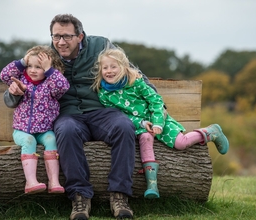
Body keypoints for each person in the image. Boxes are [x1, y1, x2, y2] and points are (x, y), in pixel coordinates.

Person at [3, 14, 157, 220]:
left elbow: (130, 71)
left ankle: (120, 195)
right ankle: (79, 197)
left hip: (102, 110)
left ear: (80, 36)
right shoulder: (45, 56)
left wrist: (159, 105)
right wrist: (13, 92)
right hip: (69, 115)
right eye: (56, 36)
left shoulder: (101, 45)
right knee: (64, 131)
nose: (60, 42)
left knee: (123, 125)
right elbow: (22, 81)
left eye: (66, 36)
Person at [91, 47, 229, 199]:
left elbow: (156, 101)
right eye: (105, 67)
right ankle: (152, 184)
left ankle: (210, 132)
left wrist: (157, 123)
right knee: (145, 139)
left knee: (180, 143)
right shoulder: (104, 94)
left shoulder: (136, 83)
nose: (109, 71)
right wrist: (142, 124)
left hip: (160, 120)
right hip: (140, 126)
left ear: (123, 67)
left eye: (113, 66)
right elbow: (117, 116)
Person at [0, 45, 70, 194]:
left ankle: (54, 182)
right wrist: (23, 61)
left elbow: (63, 86)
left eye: (38, 67)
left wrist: (49, 69)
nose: (32, 70)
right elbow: (4, 75)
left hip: (44, 131)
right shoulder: (21, 81)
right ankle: (30, 182)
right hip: (22, 131)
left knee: (52, 139)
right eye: (29, 66)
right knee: (29, 141)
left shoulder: (50, 86)